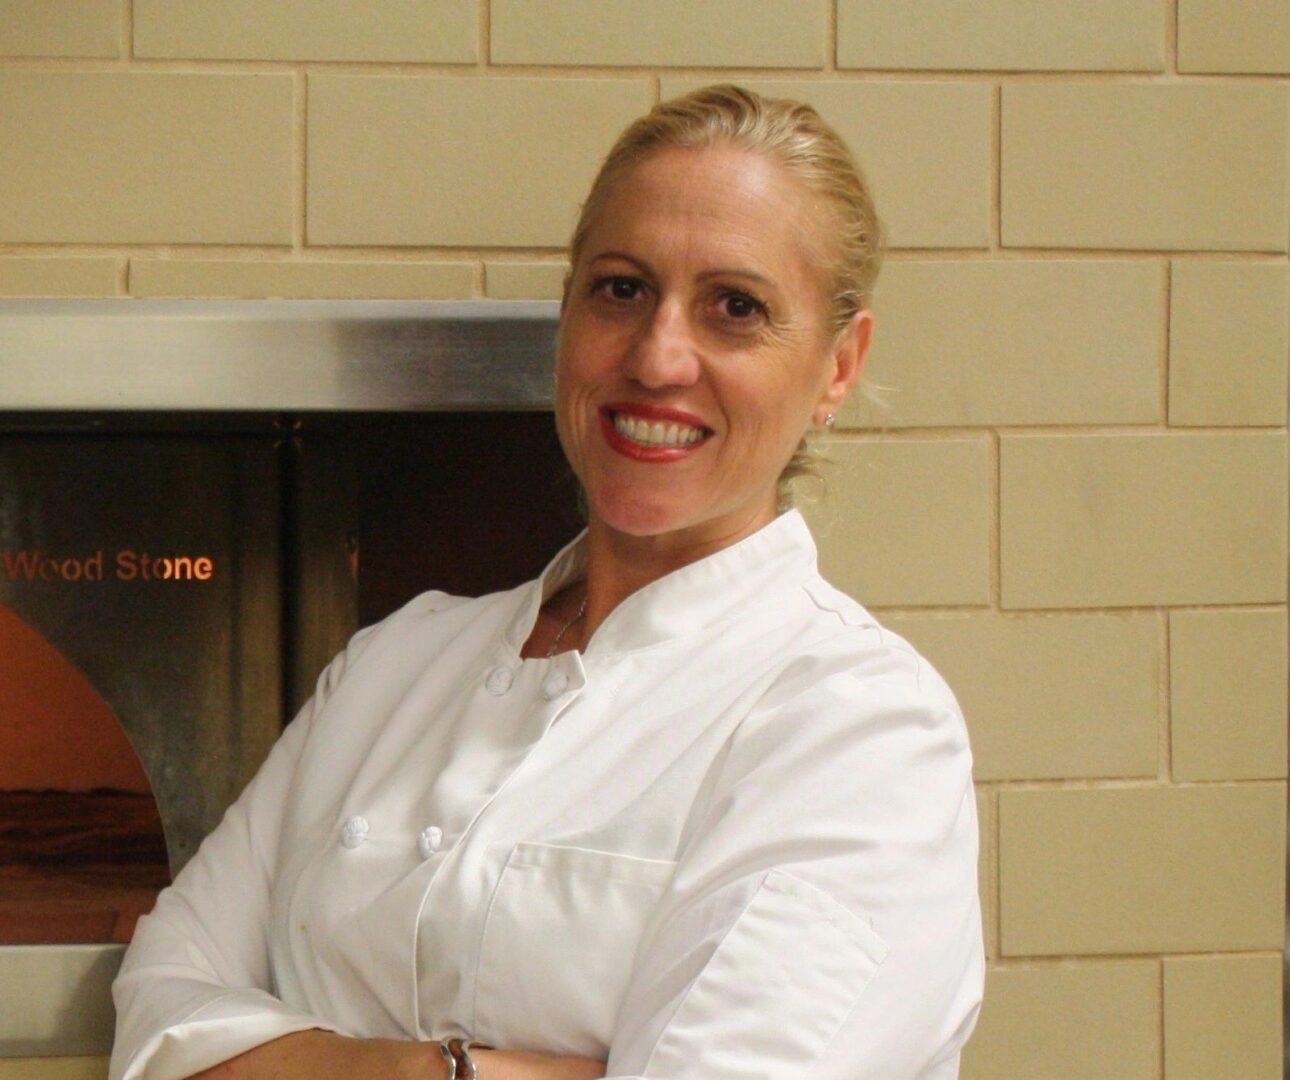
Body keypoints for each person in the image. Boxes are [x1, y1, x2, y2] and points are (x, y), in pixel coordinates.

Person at [110, 84, 984, 1080]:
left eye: (734, 308)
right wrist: (441, 1072)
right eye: (621, 289)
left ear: (837, 366)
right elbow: (162, 1012)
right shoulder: (400, 662)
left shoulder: (858, 725)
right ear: (567, 311)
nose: (658, 357)